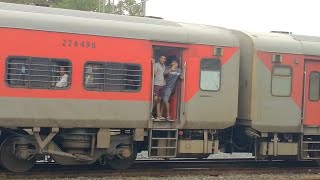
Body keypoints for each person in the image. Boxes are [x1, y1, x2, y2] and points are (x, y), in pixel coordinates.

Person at [152, 56, 166, 120]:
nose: (163, 60)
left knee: (159, 99)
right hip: (157, 83)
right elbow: (154, 73)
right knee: (155, 98)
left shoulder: (164, 66)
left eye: (164, 59)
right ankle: (150, 113)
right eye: (162, 58)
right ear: (159, 59)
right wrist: (153, 65)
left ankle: (158, 115)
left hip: (162, 84)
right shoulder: (156, 64)